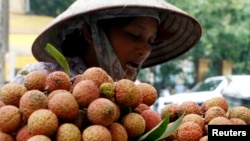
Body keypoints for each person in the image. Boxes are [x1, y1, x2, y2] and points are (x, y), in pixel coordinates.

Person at [10, 0, 202, 85]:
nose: (144, 50)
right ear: (91, 33)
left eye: (151, 42)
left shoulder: (131, 99)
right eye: (135, 36)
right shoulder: (40, 77)